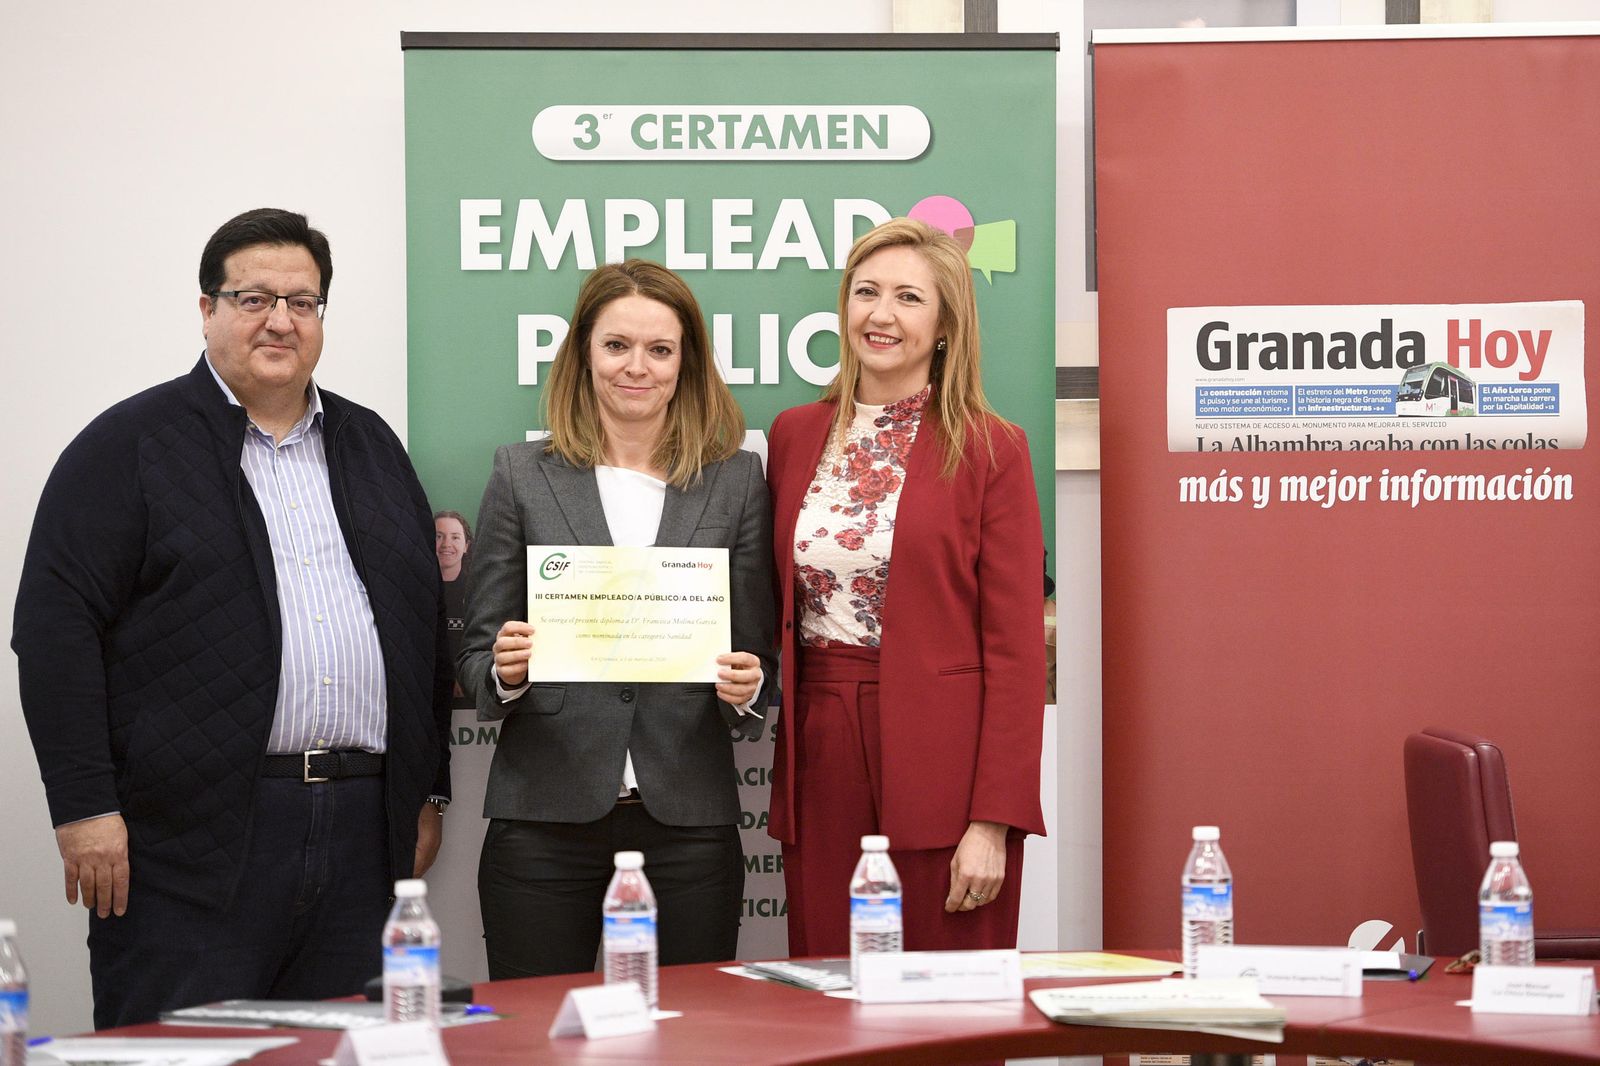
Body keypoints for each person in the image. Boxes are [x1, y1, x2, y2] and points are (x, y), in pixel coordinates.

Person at [11, 208, 453, 1029]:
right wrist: (83, 806)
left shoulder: (371, 446)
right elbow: (53, 626)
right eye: (253, 298)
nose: (281, 319)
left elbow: (423, 623)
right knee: (186, 1050)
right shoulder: (130, 445)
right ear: (206, 308)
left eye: (304, 301)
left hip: (361, 839)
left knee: (345, 1052)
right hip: (190, 847)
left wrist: (428, 791)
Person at [458, 259, 776, 979]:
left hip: (689, 825)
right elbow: (477, 657)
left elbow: (759, 659)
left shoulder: (736, 480)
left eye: (660, 350)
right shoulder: (520, 473)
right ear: (584, 354)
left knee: (691, 1044)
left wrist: (749, 686)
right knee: (538, 1044)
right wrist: (504, 670)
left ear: (686, 362)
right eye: (617, 346)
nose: (638, 367)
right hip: (542, 821)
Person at [766, 217, 1046, 956]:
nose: (880, 315)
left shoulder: (992, 447)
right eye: (866, 292)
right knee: (830, 985)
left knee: (947, 1006)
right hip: (819, 748)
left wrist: (993, 821)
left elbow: (1016, 654)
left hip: (945, 764)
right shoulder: (793, 434)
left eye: (908, 298)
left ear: (947, 323)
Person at [435, 510, 474, 704]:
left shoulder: (478, 593)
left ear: (466, 546)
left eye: (455, 537)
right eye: (438, 536)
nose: (446, 545)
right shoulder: (412, 590)